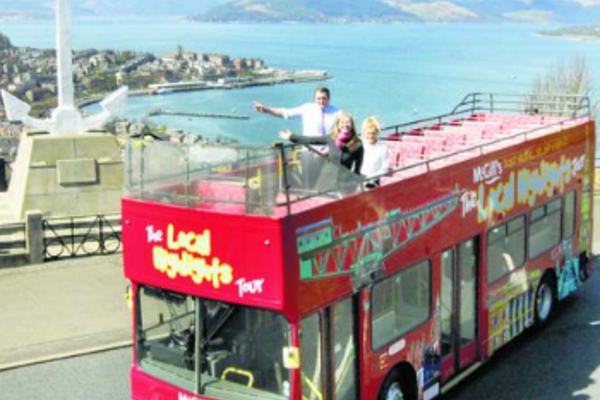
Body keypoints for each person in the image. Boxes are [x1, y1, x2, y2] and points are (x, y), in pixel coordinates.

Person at [279, 113, 363, 176]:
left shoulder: (357, 144)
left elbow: (357, 170)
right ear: (338, 125)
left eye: (348, 122)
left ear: (352, 125)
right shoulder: (331, 137)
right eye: (342, 122)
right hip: (326, 181)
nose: (345, 125)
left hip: (345, 185)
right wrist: (291, 137)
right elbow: (311, 140)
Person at [254, 86, 341, 137]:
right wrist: (266, 110)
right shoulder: (307, 108)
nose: (321, 101)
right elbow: (285, 113)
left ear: (329, 99)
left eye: (324, 98)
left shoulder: (336, 112)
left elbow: (347, 125)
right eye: (319, 98)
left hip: (329, 153)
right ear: (314, 99)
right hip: (309, 151)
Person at [360, 116, 391, 188]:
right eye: (368, 133)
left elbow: (385, 168)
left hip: (375, 181)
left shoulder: (383, 148)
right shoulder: (360, 145)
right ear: (364, 133)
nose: (371, 136)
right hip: (360, 179)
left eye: (373, 133)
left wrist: (372, 177)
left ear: (377, 133)